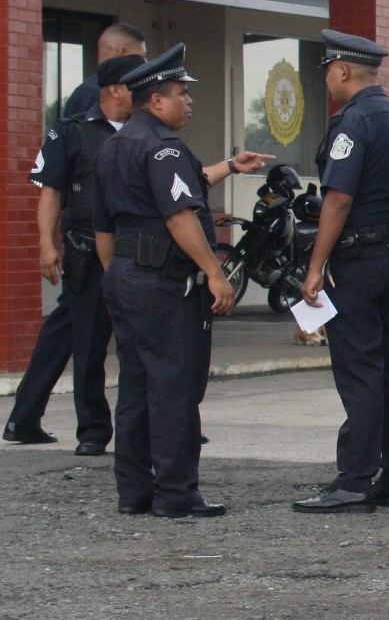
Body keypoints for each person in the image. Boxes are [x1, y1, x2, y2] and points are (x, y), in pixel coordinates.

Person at [93, 45, 269, 517]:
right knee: (174, 386)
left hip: (125, 276)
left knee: (135, 386)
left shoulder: (113, 146)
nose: (188, 101)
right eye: (181, 93)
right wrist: (215, 273)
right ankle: (176, 493)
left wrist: (118, 278)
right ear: (156, 100)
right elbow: (179, 215)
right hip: (163, 283)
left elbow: (103, 229)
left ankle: (135, 492)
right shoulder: (164, 147)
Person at [294, 31, 389, 514]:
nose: (327, 78)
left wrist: (315, 265)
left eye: (328, 69)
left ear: (343, 70)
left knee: (360, 368)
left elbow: (339, 199)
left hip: (360, 258)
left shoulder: (352, 122)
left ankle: (354, 480)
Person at [8, 53, 143, 451]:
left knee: (139, 342)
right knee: (88, 346)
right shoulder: (73, 130)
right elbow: (51, 190)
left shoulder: (148, 129)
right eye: (136, 85)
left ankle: (161, 423)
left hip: (136, 250)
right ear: (115, 89)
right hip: (86, 250)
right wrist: (46, 243)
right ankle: (93, 432)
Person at [62, 22, 146, 120]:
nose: (145, 61)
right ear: (122, 53)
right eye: (142, 56)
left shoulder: (86, 91)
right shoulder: (92, 94)